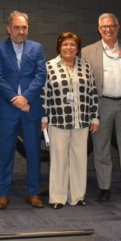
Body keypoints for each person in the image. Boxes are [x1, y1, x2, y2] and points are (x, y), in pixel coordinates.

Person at [81, 13, 121, 202]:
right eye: (104, 27)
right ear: (99, 29)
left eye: (112, 26)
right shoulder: (87, 51)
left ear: (118, 27)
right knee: (101, 148)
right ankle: (104, 187)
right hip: (102, 105)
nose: (108, 29)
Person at [0, 11, 46, 210]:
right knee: (5, 152)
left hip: (31, 108)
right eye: (17, 27)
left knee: (33, 152)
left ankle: (33, 193)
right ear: (8, 29)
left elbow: (41, 75)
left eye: (24, 27)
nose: (21, 31)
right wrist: (17, 100)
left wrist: (26, 98)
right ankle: (3, 194)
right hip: (8, 109)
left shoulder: (36, 48)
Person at [42, 32, 99, 209]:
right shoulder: (49, 66)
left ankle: (77, 196)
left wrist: (94, 117)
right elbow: (44, 94)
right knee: (58, 160)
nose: (68, 48)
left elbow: (92, 93)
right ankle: (57, 197)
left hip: (81, 121)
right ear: (59, 46)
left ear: (77, 48)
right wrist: (44, 117)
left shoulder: (86, 66)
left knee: (80, 159)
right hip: (58, 121)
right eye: (65, 44)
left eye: (72, 45)